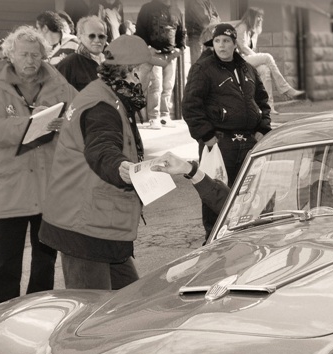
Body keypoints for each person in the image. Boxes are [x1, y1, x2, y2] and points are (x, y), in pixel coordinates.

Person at [41, 35, 154, 291]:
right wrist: (119, 168)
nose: (152, 79)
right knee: (91, 318)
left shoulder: (109, 96)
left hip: (99, 226)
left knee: (129, 305)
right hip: (85, 230)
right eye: (150, 71)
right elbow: (101, 148)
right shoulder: (101, 106)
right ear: (134, 72)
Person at [0, 25, 76, 305]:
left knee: (45, 262)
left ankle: (36, 312)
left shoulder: (59, 85)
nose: (30, 60)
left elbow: (80, 117)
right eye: (24, 54)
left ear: (44, 56)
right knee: (6, 264)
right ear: (10, 55)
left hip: (49, 189)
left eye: (36, 54)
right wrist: (32, 125)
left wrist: (64, 125)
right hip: (11, 188)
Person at [183, 22, 272, 239]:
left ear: (234, 44)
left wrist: (263, 126)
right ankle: (213, 240)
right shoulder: (203, 69)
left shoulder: (248, 69)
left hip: (249, 141)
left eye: (226, 41)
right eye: (217, 41)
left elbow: (262, 99)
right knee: (214, 193)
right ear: (212, 44)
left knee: (250, 192)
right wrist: (206, 135)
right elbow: (190, 104)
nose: (221, 46)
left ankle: (246, 236)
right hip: (219, 142)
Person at [233, 8, 306, 104]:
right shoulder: (242, 26)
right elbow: (243, 47)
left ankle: (269, 106)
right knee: (267, 57)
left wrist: (257, 57)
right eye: (258, 16)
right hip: (240, 60)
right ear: (251, 17)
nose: (261, 19)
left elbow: (251, 49)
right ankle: (285, 89)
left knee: (265, 70)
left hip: (248, 59)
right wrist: (258, 56)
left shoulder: (254, 31)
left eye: (261, 17)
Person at [136, 0, 185, 129]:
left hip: (171, 55)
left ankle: (165, 116)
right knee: (155, 86)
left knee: (168, 86)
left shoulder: (177, 9)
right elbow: (140, 30)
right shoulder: (147, 8)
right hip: (153, 54)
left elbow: (181, 31)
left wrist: (180, 48)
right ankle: (154, 117)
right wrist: (147, 47)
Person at [56, 16, 109, 91]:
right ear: (79, 37)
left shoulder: (112, 63)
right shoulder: (69, 63)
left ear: (106, 38)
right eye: (92, 36)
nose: (97, 40)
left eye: (101, 36)